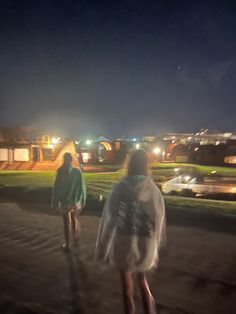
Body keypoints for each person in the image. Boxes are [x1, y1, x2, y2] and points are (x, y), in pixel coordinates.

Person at [95, 149, 166, 314]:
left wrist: (102, 249)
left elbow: (109, 220)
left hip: (123, 245)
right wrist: (155, 247)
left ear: (129, 164)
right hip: (146, 243)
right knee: (143, 284)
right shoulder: (153, 190)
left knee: (127, 291)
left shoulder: (119, 188)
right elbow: (158, 219)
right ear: (145, 165)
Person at [52, 152, 86, 251]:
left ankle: (67, 244)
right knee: (74, 219)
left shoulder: (60, 171)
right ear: (71, 160)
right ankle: (75, 239)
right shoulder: (77, 171)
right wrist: (83, 199)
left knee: (66, 222)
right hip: (75, 201)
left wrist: (54, 203)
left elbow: (56, 188)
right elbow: (82, 187)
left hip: (64, 201)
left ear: (63, 159)